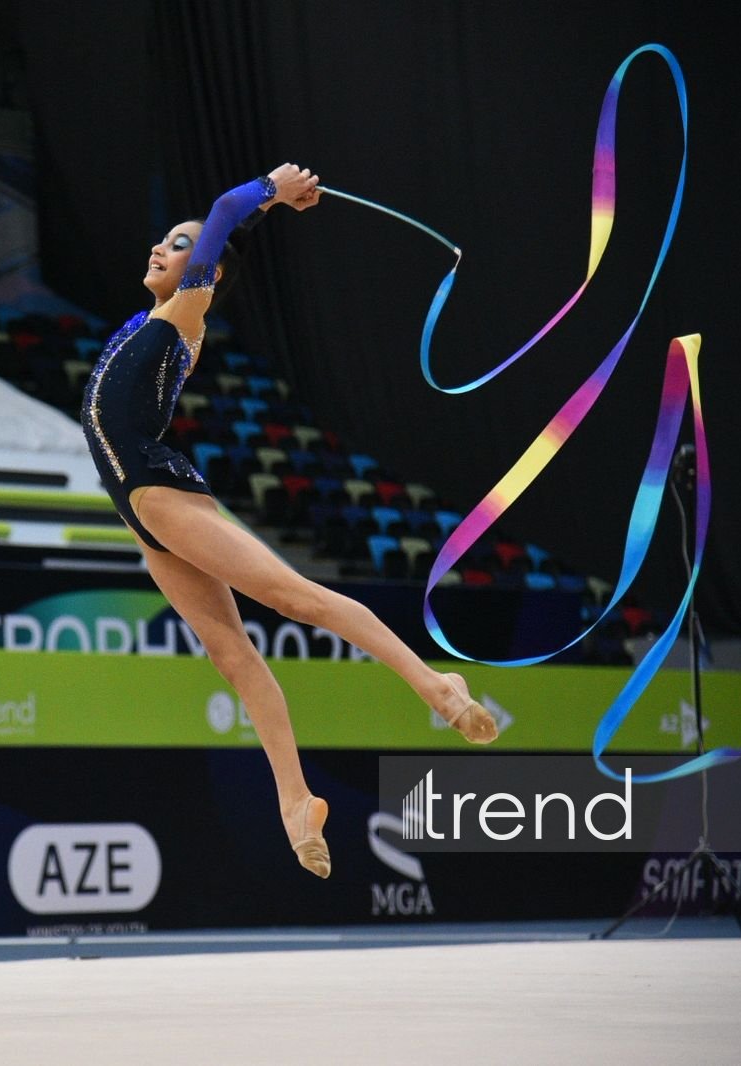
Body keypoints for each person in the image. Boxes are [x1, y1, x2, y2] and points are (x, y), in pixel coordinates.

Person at [80, 163, 497, 880]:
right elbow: (223, 232)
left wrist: (267, 189)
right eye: (163, 241)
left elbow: (218, 216)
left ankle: (436, 685)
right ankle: (295, 803)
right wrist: (270, 211)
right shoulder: (146, 321)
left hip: (157, 488)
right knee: (233, 658)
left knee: (293, 598)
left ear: (201, 273)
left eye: (178, 246)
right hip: (140, 512)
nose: (161, 249)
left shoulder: (185, 313)